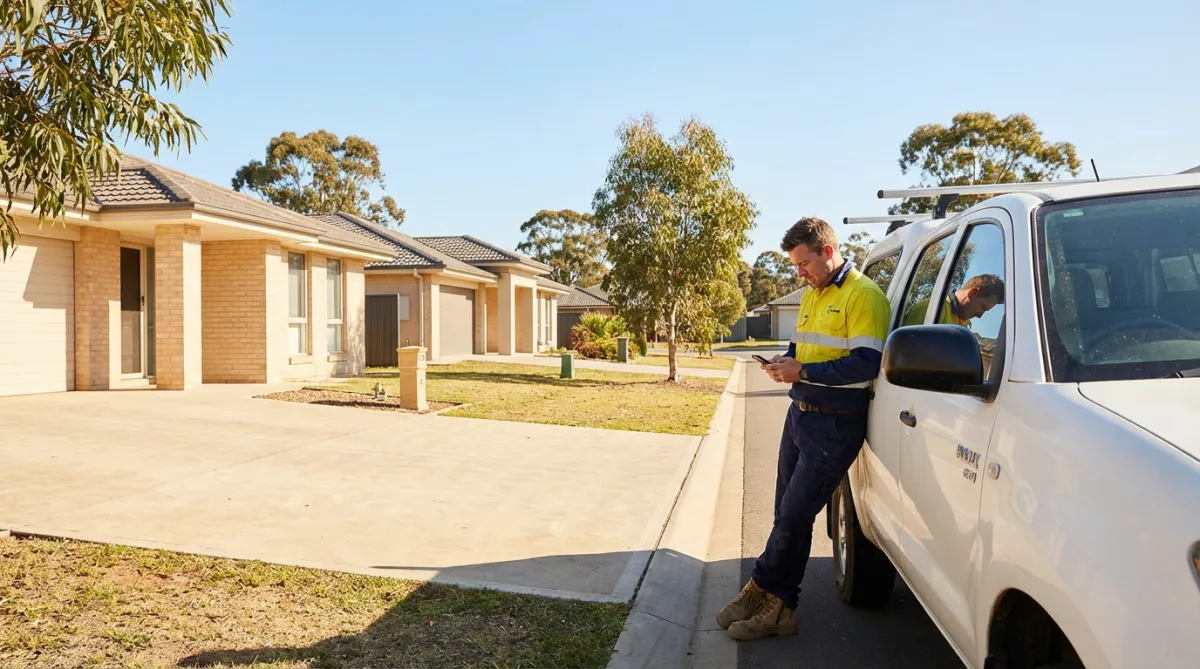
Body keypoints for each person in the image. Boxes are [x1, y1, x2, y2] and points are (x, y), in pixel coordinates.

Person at [717, 217, 890, 641]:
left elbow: (867, 363)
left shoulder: (864, 295)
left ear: (828, 252)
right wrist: (785, 363)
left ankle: (759, 587)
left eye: (803, 263)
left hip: (835, 425)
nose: (799, 273)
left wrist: (804, 371)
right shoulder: (814, 293)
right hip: (799, 416)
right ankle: (781, 608)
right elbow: (802, 348)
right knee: (786, 515)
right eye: (795, 265)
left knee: (794, 515)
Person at [900, 273, 1004, 328]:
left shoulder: (963, 324)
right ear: (973, 293)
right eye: (982, 307)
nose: (980, 315)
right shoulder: (930, 310)